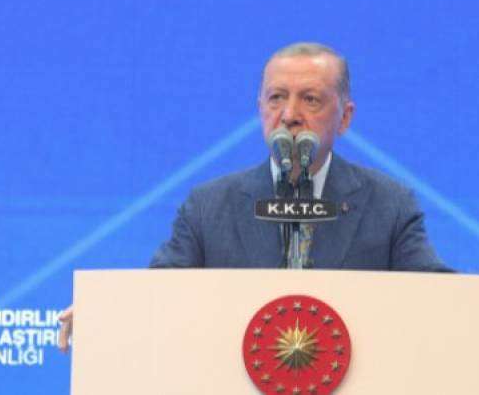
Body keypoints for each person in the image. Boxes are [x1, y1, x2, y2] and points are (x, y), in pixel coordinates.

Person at [58, 42, 448, 351]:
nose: (289, 114)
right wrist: (110, 312)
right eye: (277, 97)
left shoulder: (389, 204)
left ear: (344, 117)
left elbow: (437, 297)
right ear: (260, 108)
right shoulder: (209, 206)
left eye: (310, 99)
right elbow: (161, 293)